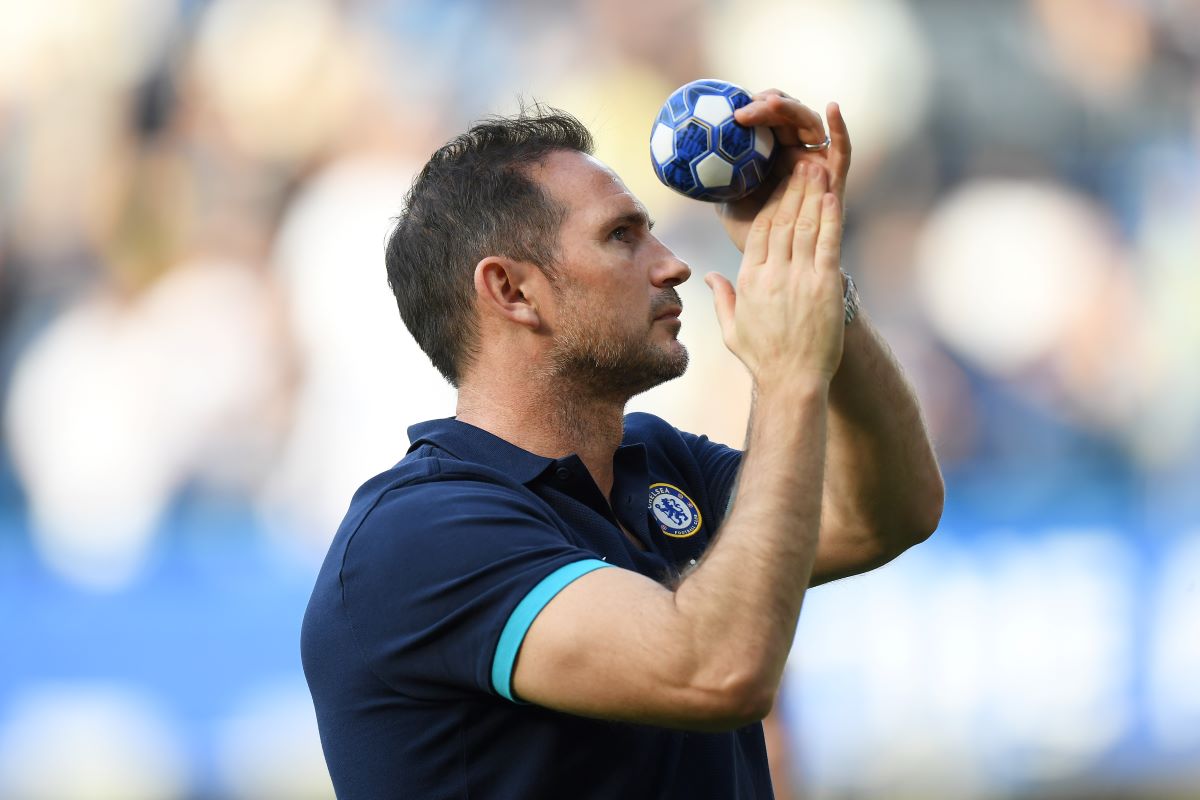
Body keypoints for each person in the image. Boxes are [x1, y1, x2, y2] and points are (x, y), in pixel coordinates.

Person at [301, 91, 944, 799]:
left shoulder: (661, 463)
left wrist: (813, 282)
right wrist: (788, 374)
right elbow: (716, 670)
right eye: (622, 236)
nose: (672, 266)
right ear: (511, 289)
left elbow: (887, 514)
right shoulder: (416, 535)